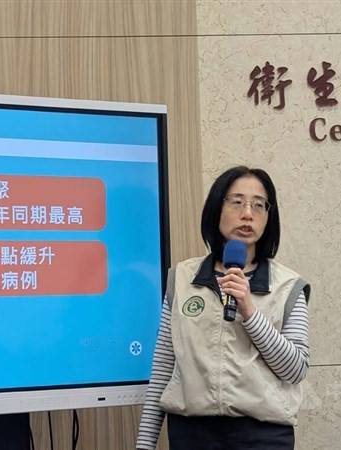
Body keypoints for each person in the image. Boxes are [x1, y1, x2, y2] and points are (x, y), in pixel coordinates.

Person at [136, 166, 311, 450]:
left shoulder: (287, 285)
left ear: (269, 217)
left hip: (261, 437)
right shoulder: (181, 279)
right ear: (217, 208)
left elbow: (294, 370)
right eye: (237, 202)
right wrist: (144, 444)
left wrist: (251, 312)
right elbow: (163, 368)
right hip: (191, 434)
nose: (247, 214)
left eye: (258, 205)